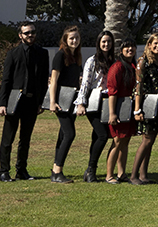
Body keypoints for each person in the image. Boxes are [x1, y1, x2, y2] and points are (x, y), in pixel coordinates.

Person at [0, 22, 49, 182]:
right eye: (26, 33)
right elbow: (6, 80)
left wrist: (41, 102)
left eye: (32, 32)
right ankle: (3, 171)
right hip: (14, 100)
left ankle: (22, 170)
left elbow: (43, 80)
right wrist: (2, 103)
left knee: (25, 139)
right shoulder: (13, 54)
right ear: (20, 35)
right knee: (8, 139)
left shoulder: (42, 53)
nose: (30, 35)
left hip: (32, 102)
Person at [73, 30, 114, 183]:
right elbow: (85, 84)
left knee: (96, 136)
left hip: (108, 102)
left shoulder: (113, 61)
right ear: (99, 43)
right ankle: (91, 169)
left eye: (109, 41)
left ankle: (91, 171)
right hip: (93, 101)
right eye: (103, 41)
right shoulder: (92, 61)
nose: (106, 44)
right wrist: (81, 103)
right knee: (103, 136)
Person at [130, 33, 158, 185]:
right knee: (146, 139)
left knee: (151, 140)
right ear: (149, 45)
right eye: (155, 44)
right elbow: (138, 87)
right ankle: (133, 176)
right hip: (146, 104)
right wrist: (137, 109)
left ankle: (143, 175)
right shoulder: (143, 61)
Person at [48, 26, 83, 183]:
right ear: (65, 40)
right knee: (70, 134)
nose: (74, 41)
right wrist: (52, 101)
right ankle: (57, 171)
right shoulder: (60, 56)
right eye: (71, 38)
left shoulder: (76, 56)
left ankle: (56, 170)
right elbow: (54, 80)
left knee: (63, 135)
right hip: (61, 100)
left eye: (76, 38)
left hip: (72, 101)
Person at [105, 40, 138, 184]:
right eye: (126, 47)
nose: (130, 49)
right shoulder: (117, 67)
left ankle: (121, 173)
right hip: (118, 109)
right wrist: (112, 113)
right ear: (121, 51)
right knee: (117, 141)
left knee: (125, 142)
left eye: (132, 46)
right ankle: (108, 175)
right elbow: (112, 92)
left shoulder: (133, 66)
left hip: (129, 109)